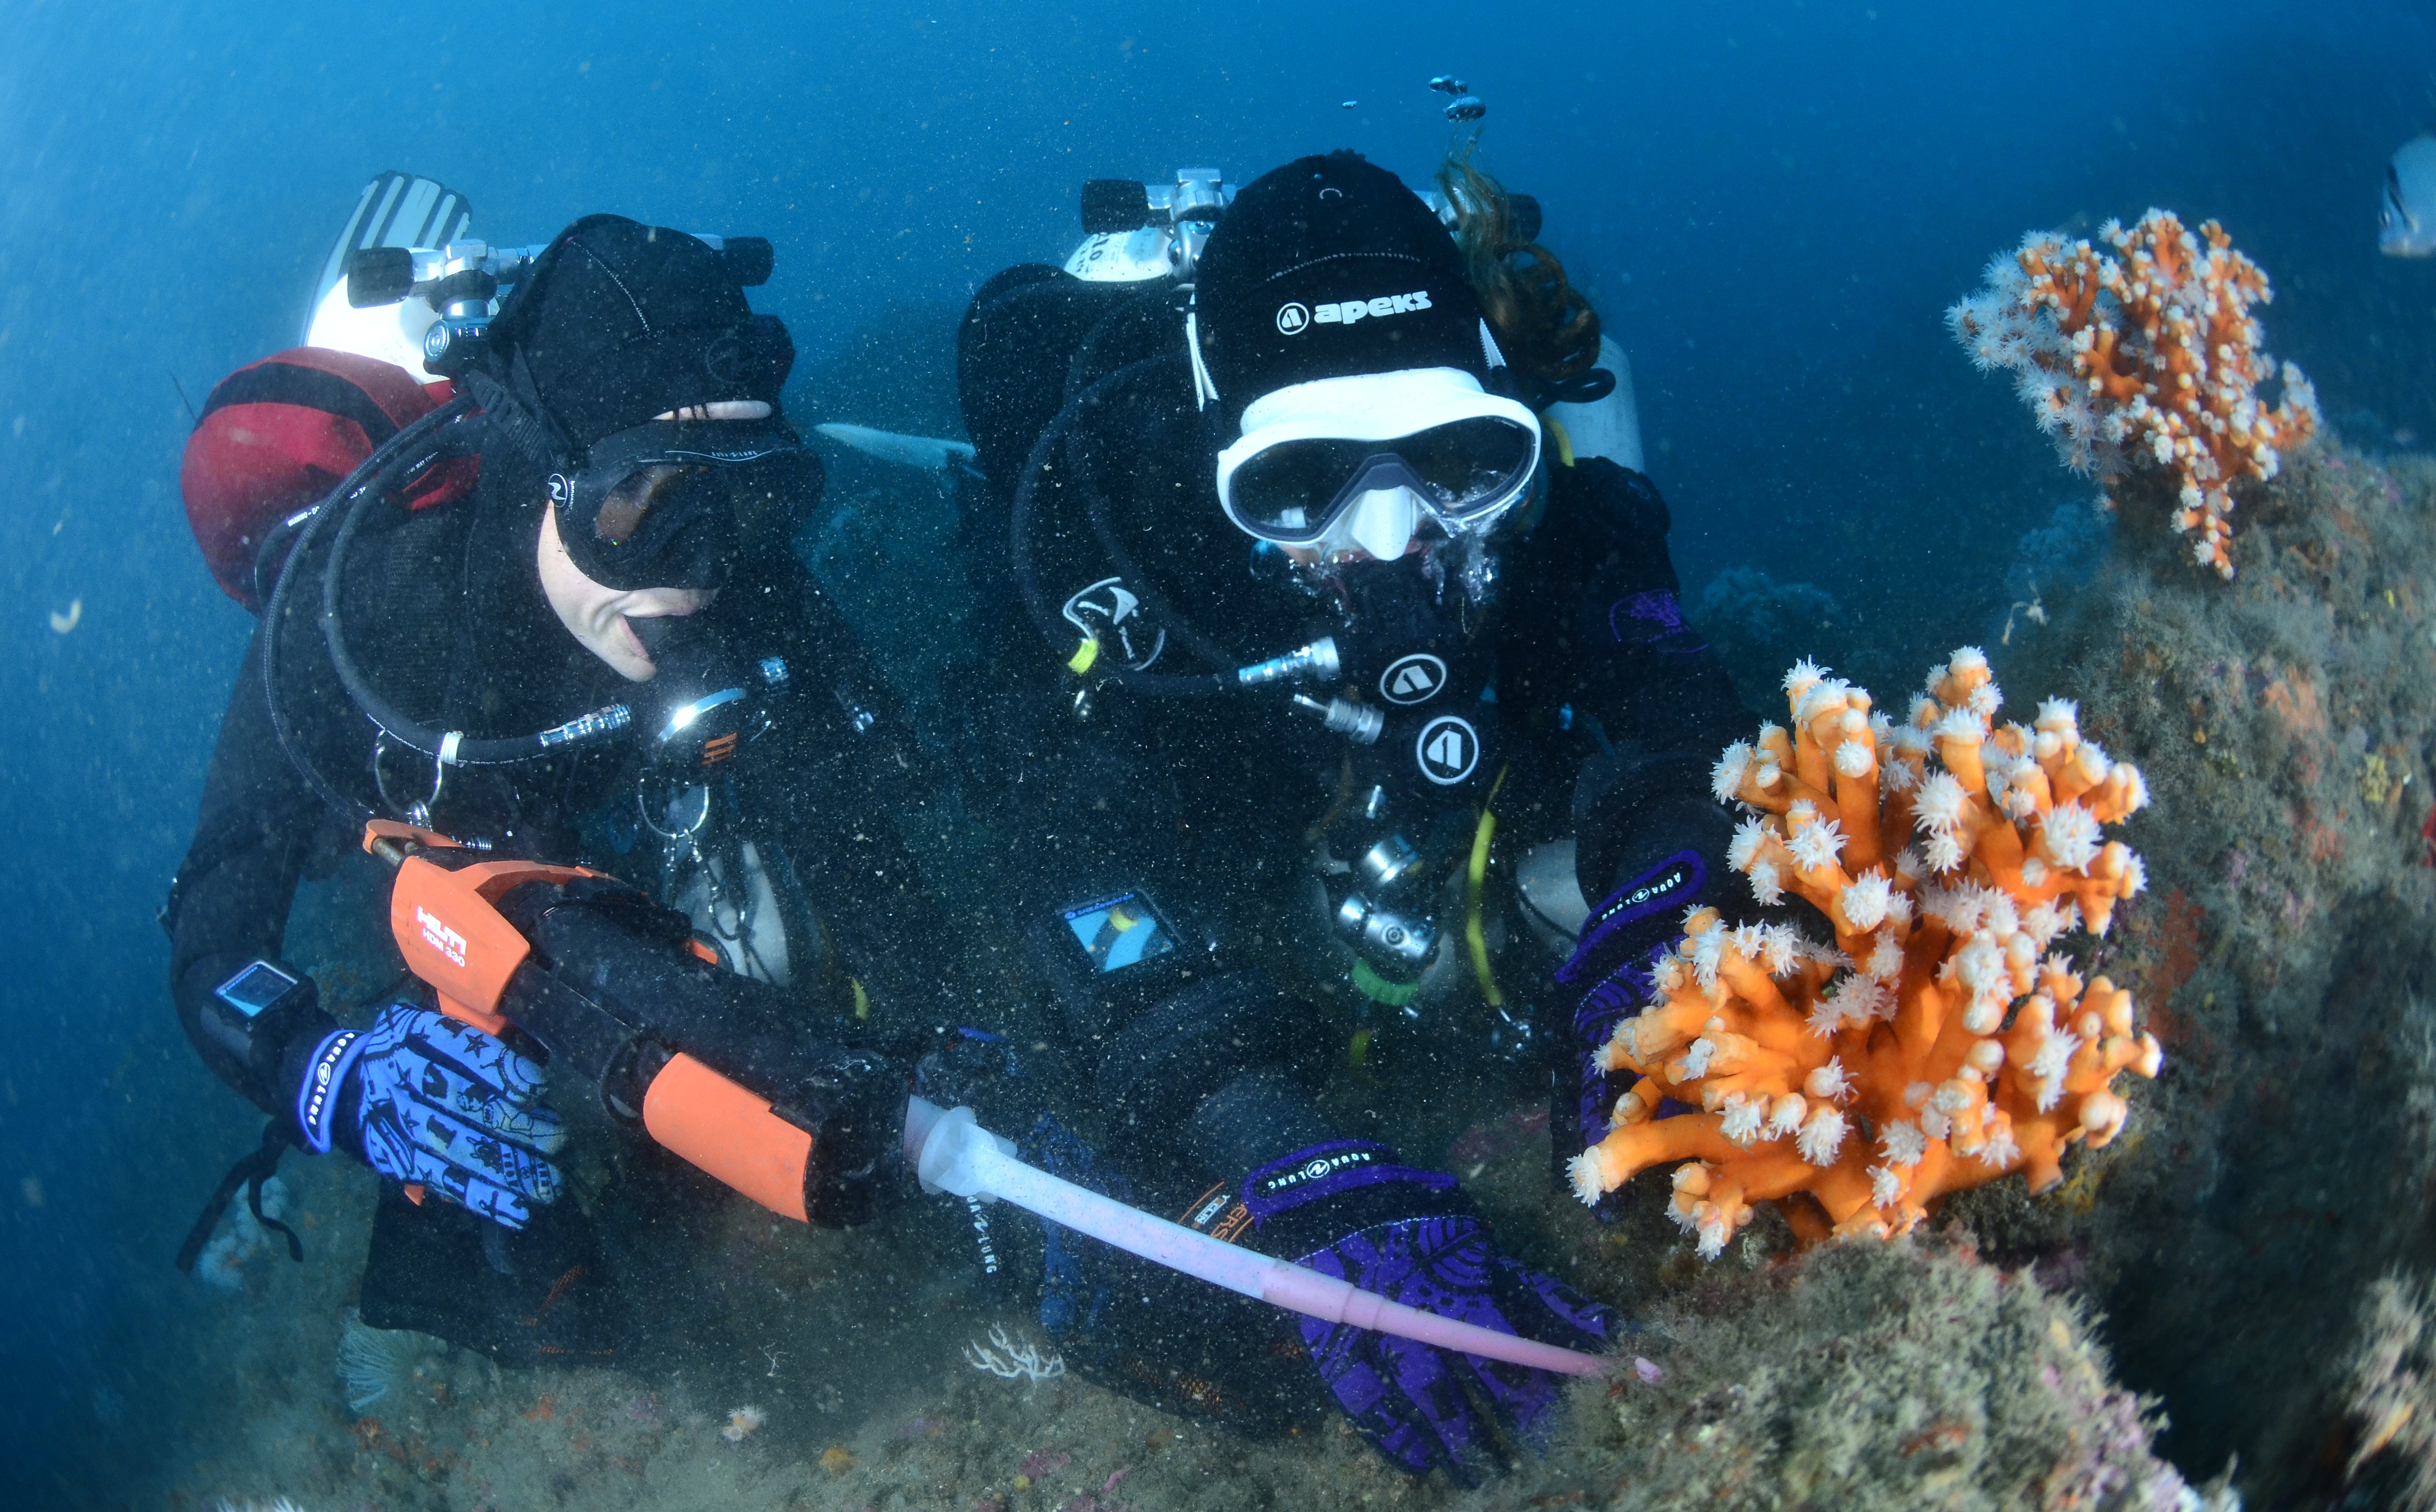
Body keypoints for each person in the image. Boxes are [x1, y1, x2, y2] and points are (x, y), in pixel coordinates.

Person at [946, 150, 1757, 1481]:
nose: (1388, 537)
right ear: (1222, 462)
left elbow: (1681, 716)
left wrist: (1662, 904)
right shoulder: (1131, 546)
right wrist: (1272, 1136)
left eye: (1454, 463)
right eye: (1302, 482)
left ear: (1512, 428)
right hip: (1219, 829)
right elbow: (1067, 852)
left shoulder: (1569, 522)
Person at [166, 214, 959, 1363]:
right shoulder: (368, 617)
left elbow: (849, 825)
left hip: (609, 809)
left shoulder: (740, 579)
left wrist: (945, 1043)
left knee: (777, 962)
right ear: (541, 470)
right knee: (527, 1276)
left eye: (754, 498)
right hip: (457, 818)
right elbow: (212, 932)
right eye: (645, 506)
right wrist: (322, 1072)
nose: (699, 569)